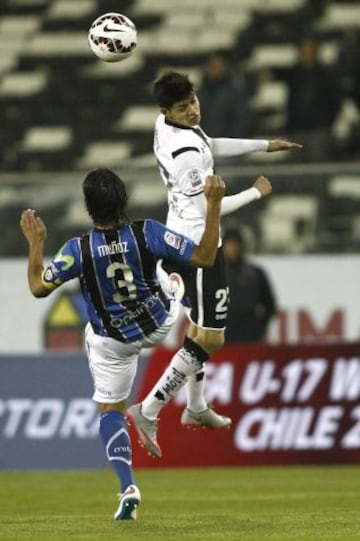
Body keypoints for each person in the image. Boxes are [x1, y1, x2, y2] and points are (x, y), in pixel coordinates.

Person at [20, 167, 225, 521]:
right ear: (124, 200)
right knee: (181, 294)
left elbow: (38, 287)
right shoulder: (148, 233)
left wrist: (36, 243)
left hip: (114, 342)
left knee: (111, 412)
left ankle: (128, 486)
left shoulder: (78, 249)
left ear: (88, 207)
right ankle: (178, 293)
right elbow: (206, 257)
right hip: (160, 323)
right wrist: (214, 205)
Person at [127, 71, 300, 456]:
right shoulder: (185, 155)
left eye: (193, 101)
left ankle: (196, 406)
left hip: (180, 238)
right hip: (199, 246)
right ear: (165, 110)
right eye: (183, 107)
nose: (192, 110)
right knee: (214, 337)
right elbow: (210, 211)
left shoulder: (170, 126)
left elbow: (211, 143)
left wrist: (264, 145)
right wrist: (256, 192)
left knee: (197, 328)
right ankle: (149, 407)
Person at [281, 37, 341, 161]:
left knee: (317, 164)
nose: (307, 54)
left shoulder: (326, 75)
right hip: (296, 128)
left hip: (318, 129)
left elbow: (335, 101)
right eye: (304, 51)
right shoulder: (294, 74)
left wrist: (327, 122)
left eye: (310, 50)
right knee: (296, 168)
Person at [222, 228, 277, 342]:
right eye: (230, 244)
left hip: (250, 334)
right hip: (223, 335)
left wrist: (260, 327)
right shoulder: (214, 273)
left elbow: (269, 304)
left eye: (236, 243)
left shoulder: (255, 273)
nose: (233, 248)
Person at [197, 49, 251, 138]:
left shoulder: (236, 90)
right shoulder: (201, 91)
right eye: (211, 66)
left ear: (226, 66)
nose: (213, 69)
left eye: (217, 66)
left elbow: (240, 121)